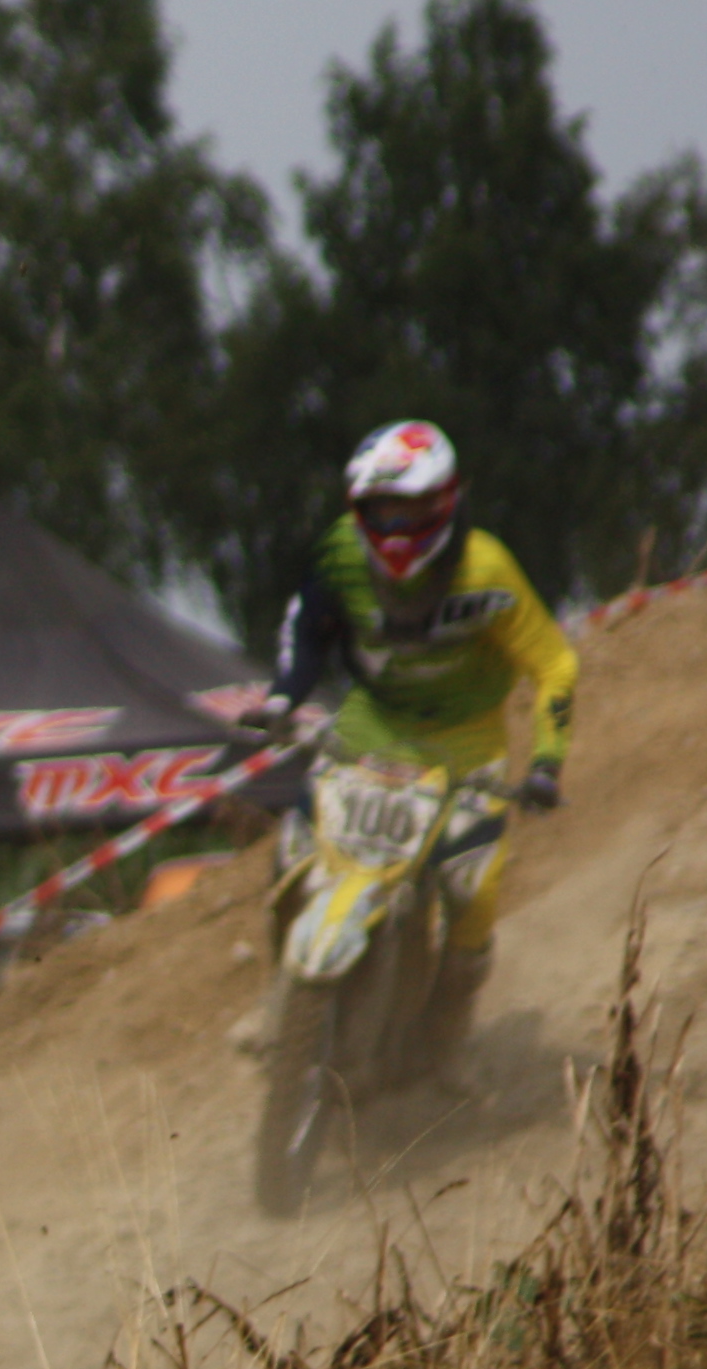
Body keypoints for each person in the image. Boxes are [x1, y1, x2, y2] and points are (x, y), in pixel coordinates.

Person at [241, 421, 577, 1053]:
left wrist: (546, 764)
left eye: (412, 509)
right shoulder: (341, 554)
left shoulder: (487, 569)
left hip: (467, 742)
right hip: (370, 726)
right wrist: (283, 698)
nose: (396, 527)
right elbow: (307, 627)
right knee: (293, 856)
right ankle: (277, 999)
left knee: (473, 889)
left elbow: (554, 663)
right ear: (359, 509)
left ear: (446, 500)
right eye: (382, 510)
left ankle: (444, 1036)